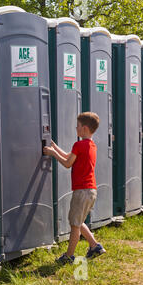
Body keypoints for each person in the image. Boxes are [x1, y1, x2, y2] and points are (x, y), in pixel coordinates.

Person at [43, 112, 106, 264]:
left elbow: (67, 163)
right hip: (91, 190)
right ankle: (95, 246)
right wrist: (55, 147)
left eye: (77, 126)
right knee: (79, 221)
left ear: (84, 128)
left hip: (82, 191)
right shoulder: (91, 145)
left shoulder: (79, 145)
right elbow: (69, 156)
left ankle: (68, 256)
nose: (75, 128)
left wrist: (52, 153)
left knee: (74, 225)